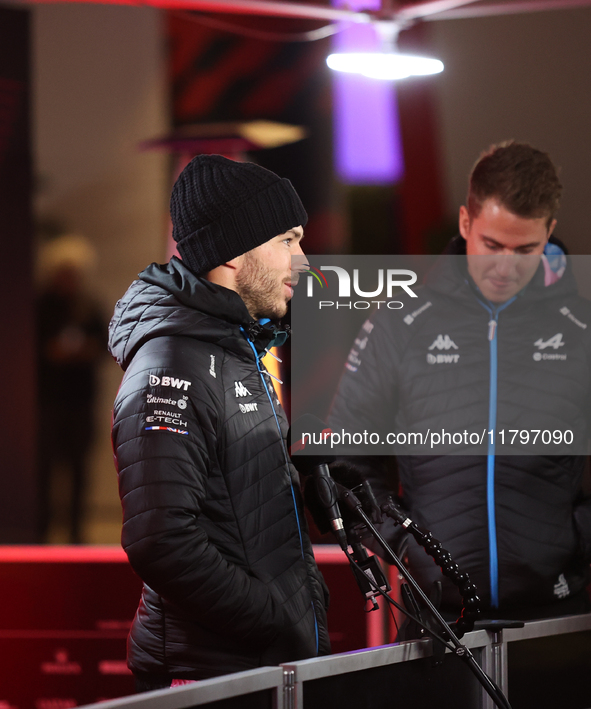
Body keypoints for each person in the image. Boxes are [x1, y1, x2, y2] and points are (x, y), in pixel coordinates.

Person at [328, 142, 591, 630]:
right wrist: (402, 542)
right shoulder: (401, 323)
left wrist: (578, 537)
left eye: (526, 249)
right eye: (492, 245)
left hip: (558, 614)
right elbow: (346, 453)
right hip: (437, 618)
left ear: (549, 233)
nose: (506, 266)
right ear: (466, 223)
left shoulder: (581, 328)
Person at [109, 155, 330, 690]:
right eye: (288, 240)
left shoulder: (238, 346)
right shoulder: (171, 363)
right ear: (233, 254)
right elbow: (161, 541)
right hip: (213, 674)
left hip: (255, 667)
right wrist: (273, 620)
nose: (303, 261)